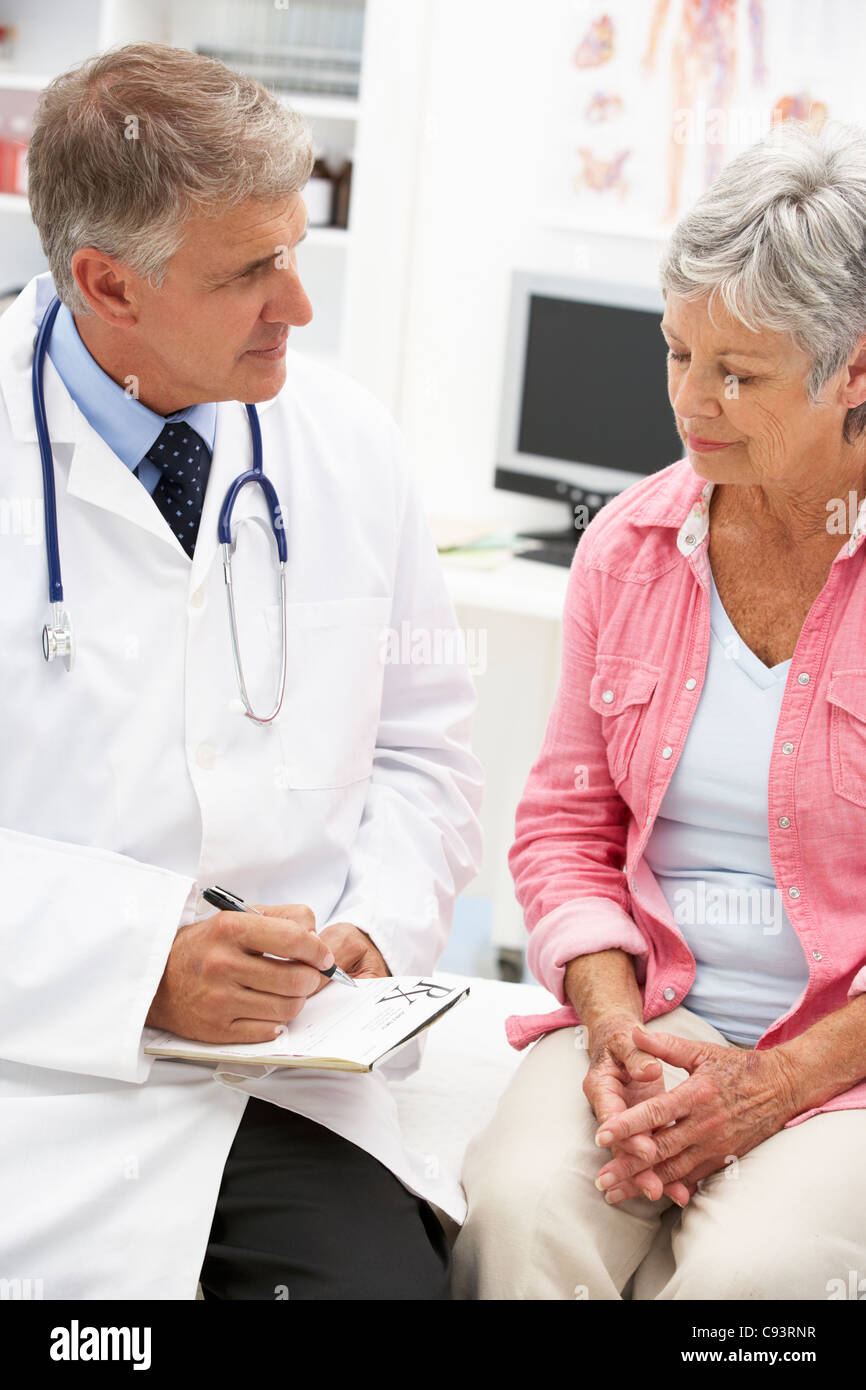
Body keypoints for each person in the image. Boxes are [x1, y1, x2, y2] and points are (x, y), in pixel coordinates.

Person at [0, 42, 483, 1300]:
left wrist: (374, 922)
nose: (298, 307)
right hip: (29, 1070)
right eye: (251, 271)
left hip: (283, 1081)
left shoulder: (346, 445)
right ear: (107, 281)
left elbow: (423, 751)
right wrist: (137, 962)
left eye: (296, 251)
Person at [453, 117, 866, 1300]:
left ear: (854, 369)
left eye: (738, 372)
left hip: (838, 1064)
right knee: (521, 1215)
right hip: (651, 1021)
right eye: (676, 352)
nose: (692, 400)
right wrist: (612, 1023)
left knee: (749, 1275)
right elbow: (563, 829)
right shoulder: (628, 546)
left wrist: (771, 1088)